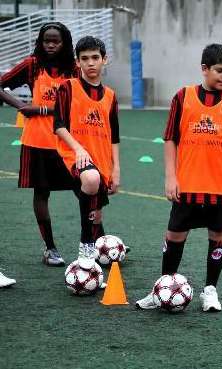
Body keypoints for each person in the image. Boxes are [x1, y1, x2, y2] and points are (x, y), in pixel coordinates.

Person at [135, 44, 222, 312]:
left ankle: (210, 290)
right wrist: (170, 177)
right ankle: (162, 286)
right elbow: (170, 139)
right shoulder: (182, 97)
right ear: (204, 69)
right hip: (188, 182)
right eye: (220, 70)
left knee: (218, 234)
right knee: (174, 234)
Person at [0, 22, 77, 266]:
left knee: (86, 188)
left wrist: (41, 108)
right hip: (37, 141)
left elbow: (78, 104)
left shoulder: (73, 69)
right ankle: (50, 248)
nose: (51, 45)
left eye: (56, 41)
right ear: (41, 42)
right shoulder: (32, 64)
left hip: (67, 141)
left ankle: (98, 242)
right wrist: (21, 106)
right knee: (41, 193)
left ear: (65, 43)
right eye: (47, 40)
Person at [53, 36, 120, 267]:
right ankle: (85, 251)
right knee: (91, 179)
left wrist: (116, 169)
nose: (90, 63)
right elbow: (59, 126)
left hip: (101, 159)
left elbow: (115, 136)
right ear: (77, 62)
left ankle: (93, 256)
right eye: (85, 59)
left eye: (95, 58)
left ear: (104, 60)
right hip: (74, 155)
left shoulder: (110, 96)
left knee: (97, 214)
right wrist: (78, 148)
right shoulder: (67, 88)